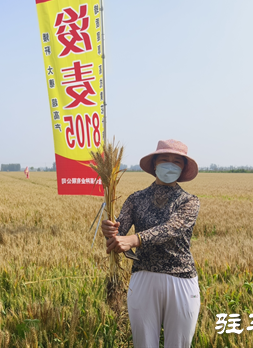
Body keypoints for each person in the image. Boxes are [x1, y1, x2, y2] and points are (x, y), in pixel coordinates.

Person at [101, 139, 201, 348]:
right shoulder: (136, 199)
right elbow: (120, 232)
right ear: (155, 163)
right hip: (143, 277)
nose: (170, 165)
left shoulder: (189, 201)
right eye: (164, 159)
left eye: (177, 161)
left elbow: (171, 229)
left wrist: (134, 240)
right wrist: (110, 231)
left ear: (183, 168)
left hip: (181, 279)